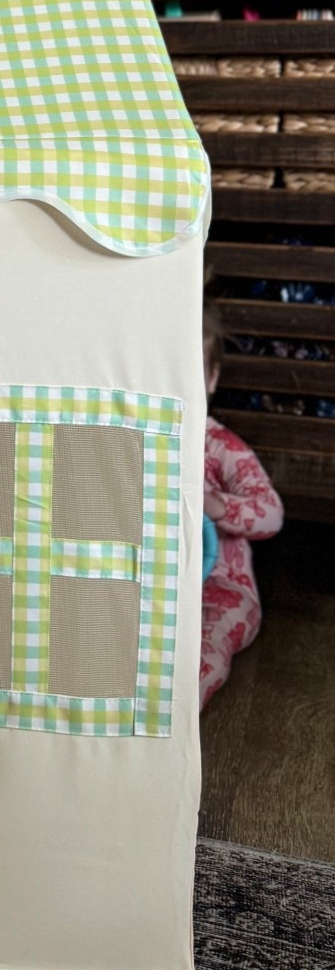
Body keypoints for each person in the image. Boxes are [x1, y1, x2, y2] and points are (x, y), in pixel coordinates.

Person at [200, 301, 284, 708]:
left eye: (190, 374)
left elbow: (271, 513)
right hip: (153, 588)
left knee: (205, 649)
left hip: (222, 589)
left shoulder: (220, 447)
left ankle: (176, 724)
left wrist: (216, 505)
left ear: (212, 378)